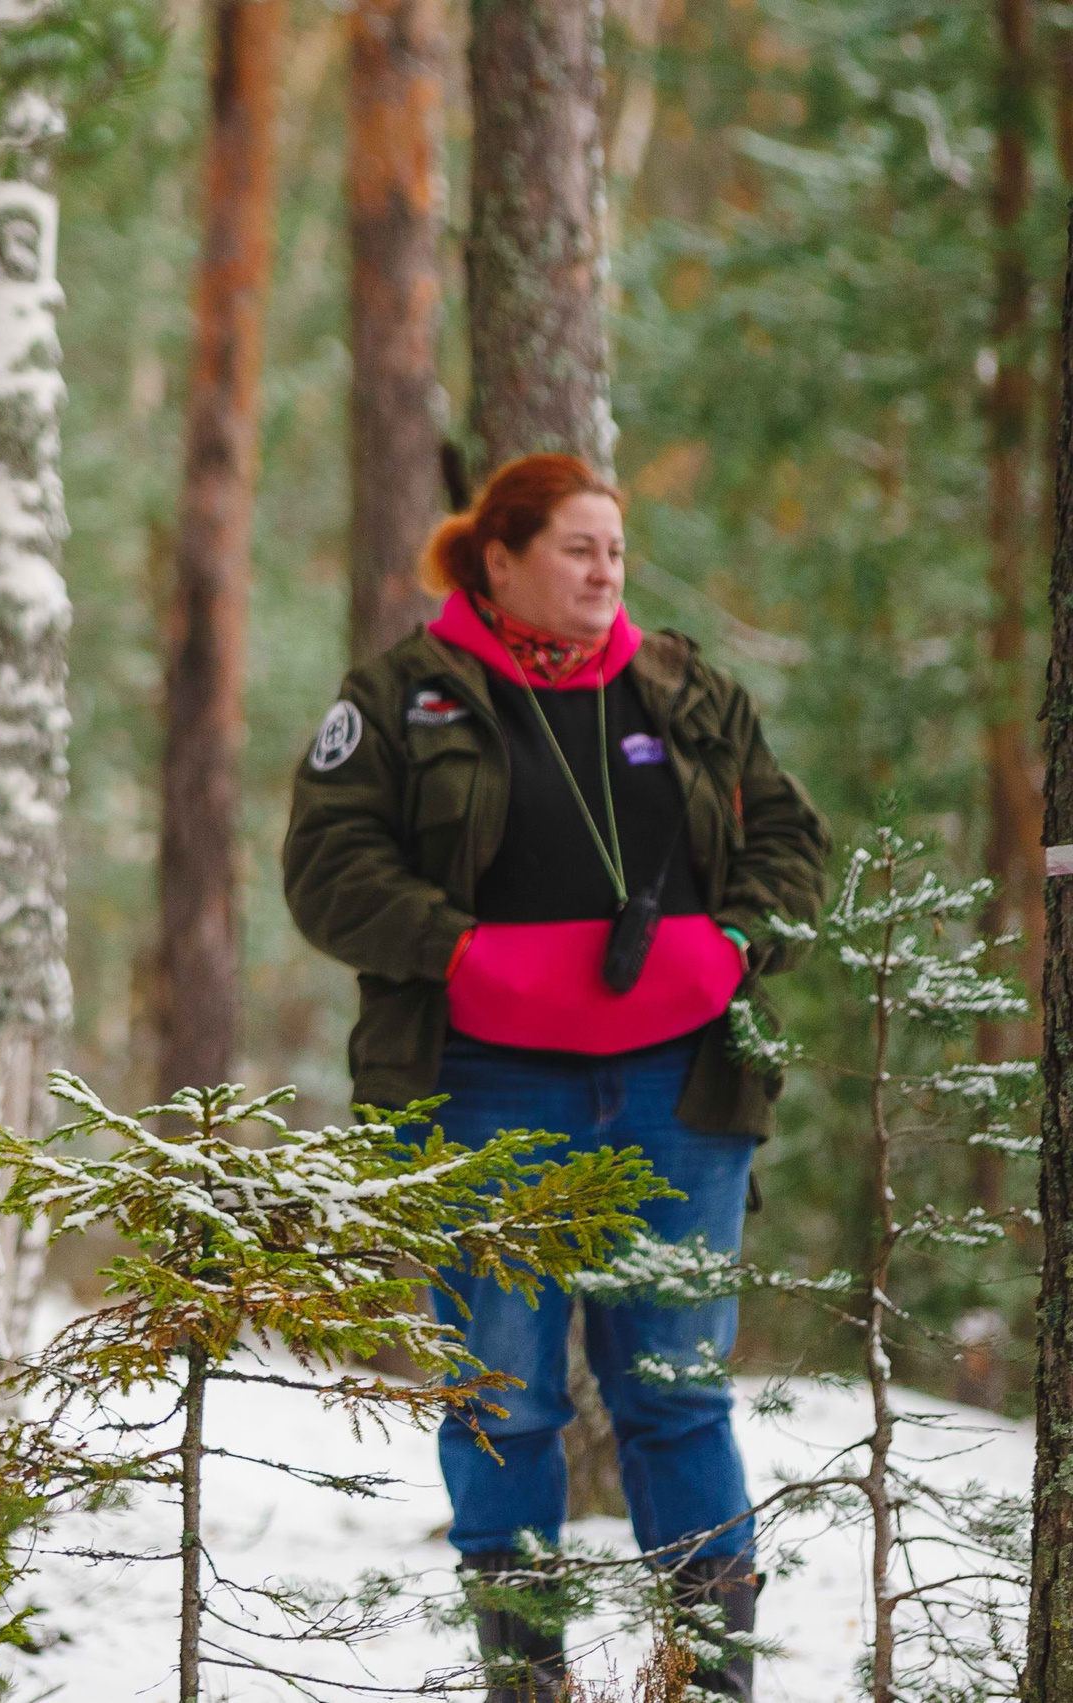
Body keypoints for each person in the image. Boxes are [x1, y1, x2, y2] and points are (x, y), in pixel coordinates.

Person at [282, 454, 829, 1703]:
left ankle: (703, 1681)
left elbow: (792, 835)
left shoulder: (684, 687)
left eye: (615, 551)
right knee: (506, 1401)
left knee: (678, 1395)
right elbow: (327, 868)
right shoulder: (402, 696)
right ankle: (526, 1684)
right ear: (499, 559)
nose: (603, 572)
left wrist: (735, 942)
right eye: (577, 548)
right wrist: (463, 954)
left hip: (679, 1097)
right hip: (483, 1088)